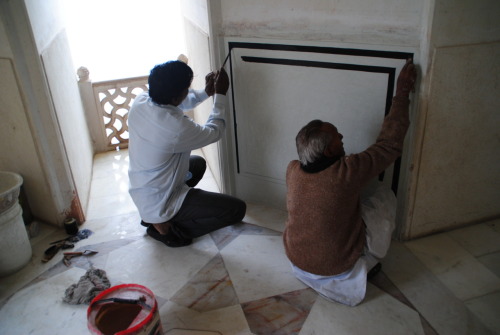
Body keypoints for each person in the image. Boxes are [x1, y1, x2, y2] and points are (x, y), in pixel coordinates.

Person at [283, 59, 417, 306]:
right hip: (336, 266)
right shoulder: (347, 172)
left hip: (298, 258)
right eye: (337, 137)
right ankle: (367, 264)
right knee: (384, 196)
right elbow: (389, 145)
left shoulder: (292, 170)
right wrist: (402, 93)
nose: (342, 136)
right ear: (327, 152)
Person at [128, 60, 246, 248]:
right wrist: (220, 95)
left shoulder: (141, 101)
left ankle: (152, 218)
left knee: (197, 163)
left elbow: (174, 104)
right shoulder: (176, 129)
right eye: (187, 88)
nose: (188, 91)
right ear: (177, 96)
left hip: (144, 189)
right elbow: (214, 131)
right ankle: (168, 229)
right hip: (161, 198)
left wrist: (207, 92)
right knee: (236, 210)